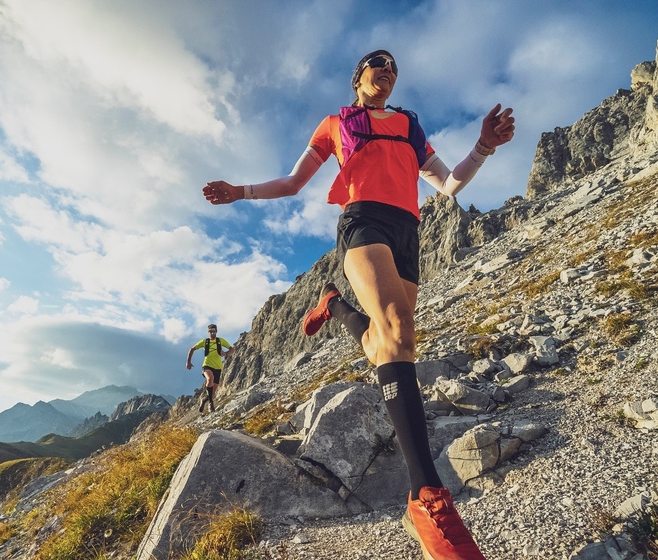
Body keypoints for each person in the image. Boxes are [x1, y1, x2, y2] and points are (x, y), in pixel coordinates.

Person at [202, 49, 514, 560]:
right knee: (397, 331)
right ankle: (425, 494)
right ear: (358, 77)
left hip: (409, 230)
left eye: (394, 66)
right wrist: (241, 190)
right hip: (363, 222)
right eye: (377, 63)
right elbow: (294, 182)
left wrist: (482, 146)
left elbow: (446, 185)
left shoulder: (410, 125)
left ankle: (335, 305)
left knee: (382, 343)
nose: (387, 70)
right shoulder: (336, 123)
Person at [185, 323, 232, 413]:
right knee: (210, 378)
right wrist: (188, 362)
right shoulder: (205, 342)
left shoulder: (220, 341)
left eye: (214, 331)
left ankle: (204, 400)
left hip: (218, 368)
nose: (212, 333)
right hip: (206, 366)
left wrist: (226, 354)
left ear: (216, 331)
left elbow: (232, 349)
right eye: (210, 331)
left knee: (212, 393)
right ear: (208, 332)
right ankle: (211, 403)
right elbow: (192, 349)